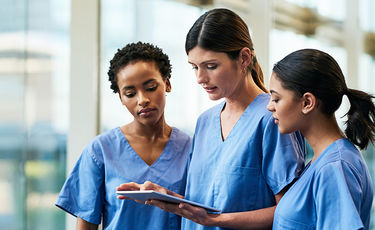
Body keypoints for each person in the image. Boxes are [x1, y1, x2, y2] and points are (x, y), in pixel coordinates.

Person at [117, 8, 305, 229]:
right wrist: (167, 197)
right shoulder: (205, 122)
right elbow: (206, 203)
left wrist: (217, 220)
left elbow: (291, 214)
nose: (200, 78)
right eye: (195, 67)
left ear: (244, 58)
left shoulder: (272, 119)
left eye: (211, 66)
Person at [55, 42, 192, 230]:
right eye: (130, 93)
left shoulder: (191, 149)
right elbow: (86, 225)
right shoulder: (101, 150)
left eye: (151, 87)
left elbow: (201, 215)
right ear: (121, 97)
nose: (142, 99)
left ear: (167, 84)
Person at [267, 48, 375, 229]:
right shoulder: (326, 160)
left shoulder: (335, 166)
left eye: (276, 99)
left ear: (307, 103)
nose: (269, 106)